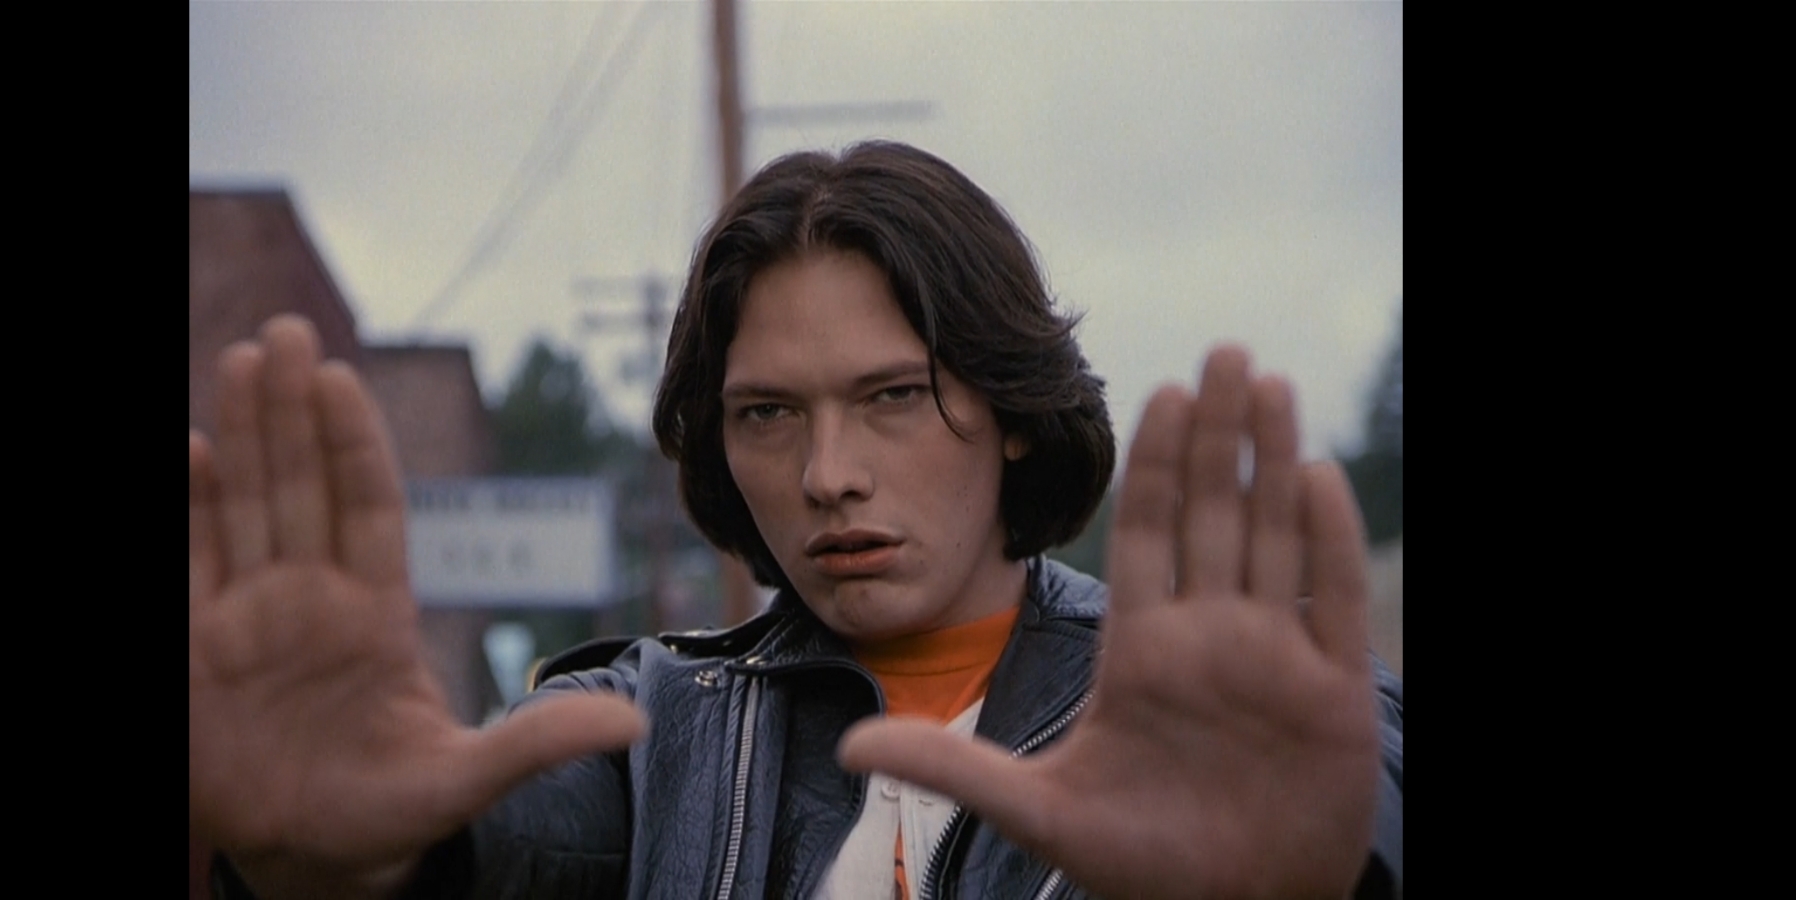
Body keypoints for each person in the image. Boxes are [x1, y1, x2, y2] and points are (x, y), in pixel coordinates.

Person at [189, 141, 1403, 900]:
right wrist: (338, 860)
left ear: (1011, 411)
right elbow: (494, 842)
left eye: (890, 396)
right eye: (766, 413)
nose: (827, 474)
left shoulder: (1244, 711)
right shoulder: (654, 725)